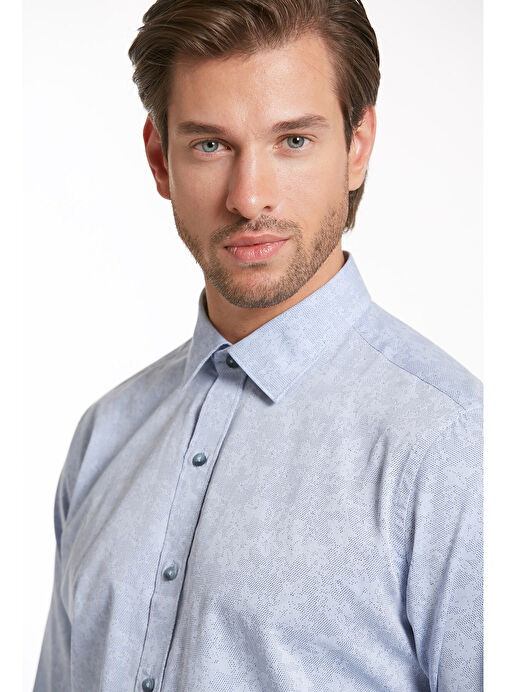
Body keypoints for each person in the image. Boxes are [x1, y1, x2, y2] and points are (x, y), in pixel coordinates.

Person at [34, 1, 483, 690]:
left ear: (357, 146)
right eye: (210, 145)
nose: (249, 198)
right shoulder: (105, 434)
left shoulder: (453, 446)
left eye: (293, 140)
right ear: (159, 158)